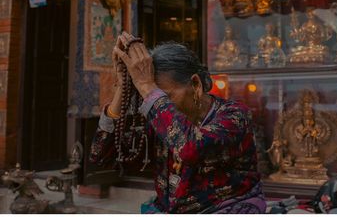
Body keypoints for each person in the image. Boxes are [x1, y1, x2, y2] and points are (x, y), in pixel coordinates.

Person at [89, 32, 266, 214]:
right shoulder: (159, 116)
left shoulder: (234, 116)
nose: (155, 102)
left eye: (164, 96)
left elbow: (190, 148)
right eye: (152, 97)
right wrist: (122, 86)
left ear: (196, 85)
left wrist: (147, 86)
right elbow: (101, 156)